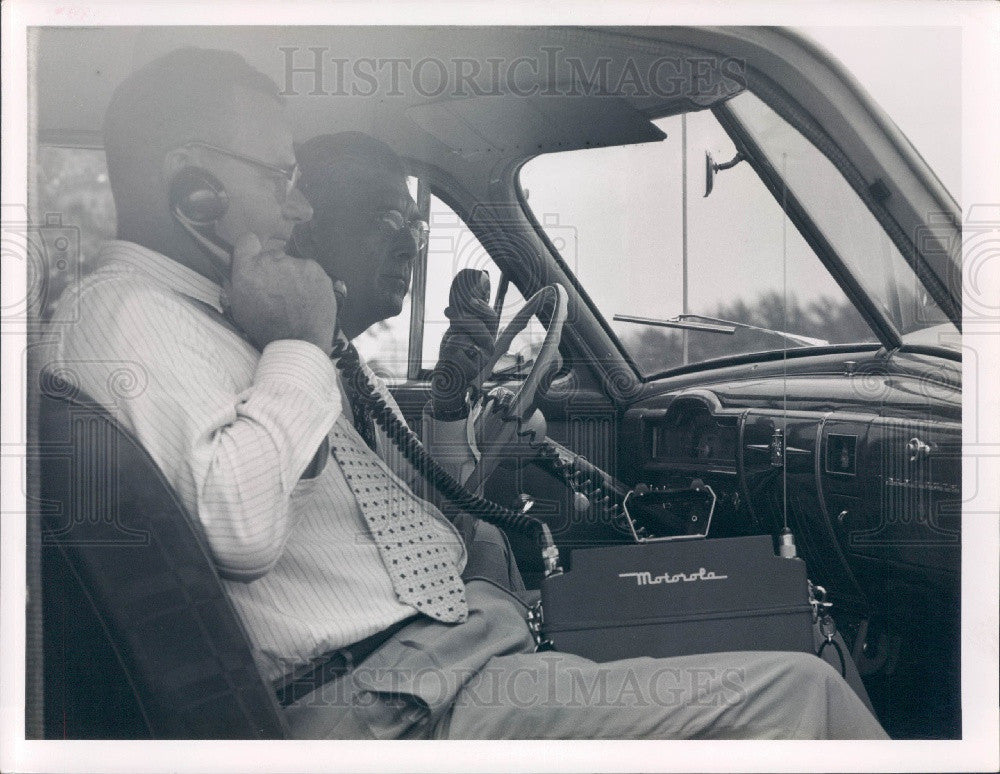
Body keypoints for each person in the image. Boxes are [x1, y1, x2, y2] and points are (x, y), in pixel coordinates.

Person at [42, 47, 888, 740]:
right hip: (395, 703)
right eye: (278, 176)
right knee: (799, 698)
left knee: (755, 649)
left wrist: (446, 410)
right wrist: (299, 342)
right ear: (195, 187)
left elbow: (383, 517)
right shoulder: (130, 319)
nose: (296, 208)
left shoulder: (223, 320)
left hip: (439, 661)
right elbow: (238, 528)